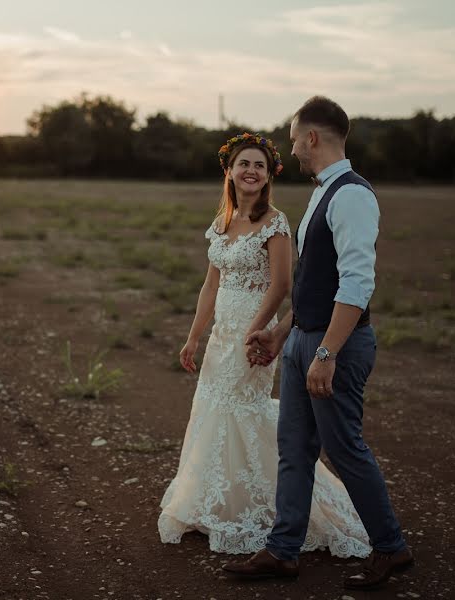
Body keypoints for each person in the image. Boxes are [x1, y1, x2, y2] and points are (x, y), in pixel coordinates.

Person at [222, 96, 413, 591]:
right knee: (294, 449)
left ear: (312, 137)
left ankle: (391, 548)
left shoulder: (351, 195)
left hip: (337, 347)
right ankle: (283, 551)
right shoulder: (322, 194)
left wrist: (326, 353)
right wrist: (280, 332)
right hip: (303, 340)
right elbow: (310, 281)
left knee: (344, 448)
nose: (291, 151)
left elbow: (356, 285)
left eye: (293, 140)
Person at [157, 132, 371, 559]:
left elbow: (282, 286)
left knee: (246, 408)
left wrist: (257, 330)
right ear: (230, 172)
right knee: (216, 409)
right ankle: (218, 503)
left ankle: (279, 510)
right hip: (221, 334)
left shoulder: (275, 221)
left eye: (258, 164)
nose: (250, 171)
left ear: (268, 173)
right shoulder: (221, 223)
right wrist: (195, 335)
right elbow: (210, 284)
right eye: (243, 164)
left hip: (256, 332)